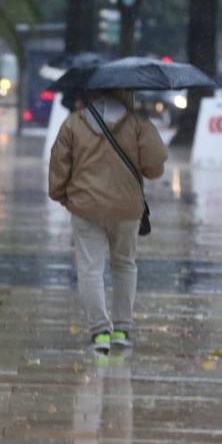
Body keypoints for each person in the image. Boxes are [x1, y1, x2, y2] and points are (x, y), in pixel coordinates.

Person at [48, 89, 167, 353]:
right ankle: (123, 329)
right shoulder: (139, 123)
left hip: (85, 206)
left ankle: (100, 332)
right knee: (124, 264)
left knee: (90, 268)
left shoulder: (75, 122)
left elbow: (59, 163)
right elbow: (156, 165)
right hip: (126, 208)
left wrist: (61, 194)